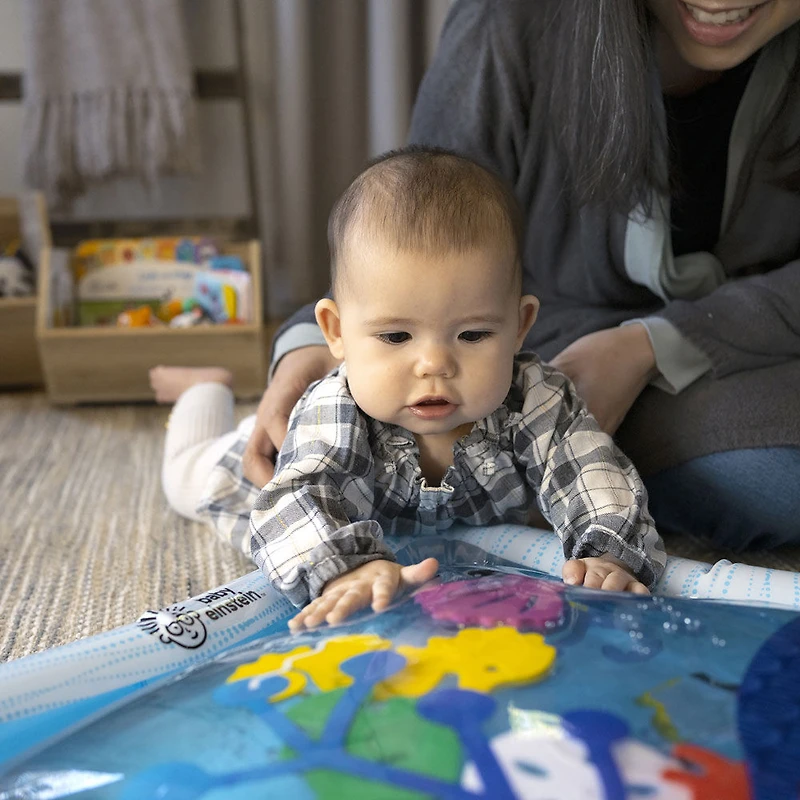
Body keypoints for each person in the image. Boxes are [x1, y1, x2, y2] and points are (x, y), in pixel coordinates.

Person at [245, 0, 800, 554]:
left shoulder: (538, 399)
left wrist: (648, 348)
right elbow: (419, 234)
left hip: (760, 352)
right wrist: (317, 347)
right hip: (545, 354)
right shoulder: (507, 22)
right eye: (397, 336)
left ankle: (537, 468)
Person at [249, 147, 665, 630]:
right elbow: (295, 497)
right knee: (197, 476)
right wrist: (346, 570)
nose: (434, 365)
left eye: (472, 335)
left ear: (519, 324)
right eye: (395, 336)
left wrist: (608, 555)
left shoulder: (537, 396)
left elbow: (594, 475)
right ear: (336, 331)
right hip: (261, 474)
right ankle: (200, 400)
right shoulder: (333, 406)